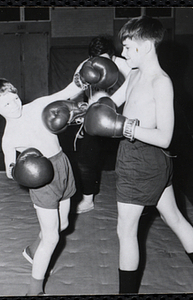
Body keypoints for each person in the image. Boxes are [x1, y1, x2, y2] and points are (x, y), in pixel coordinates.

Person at [83, 16, 193, 293]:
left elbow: (165, 137)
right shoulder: (136, 73)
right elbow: (112, 103)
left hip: (145, 160)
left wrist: (126, 126)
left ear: (146, 45)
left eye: (127, 47)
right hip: (138, 158)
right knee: (174, 218)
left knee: (125, 231)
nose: (122, 54)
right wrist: (85, 110)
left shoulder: (161, 82)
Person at [0, 79, 81, 295]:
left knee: (63, 224)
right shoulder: (8, 138)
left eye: (15, 99)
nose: (14, 105)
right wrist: (21, 166)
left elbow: (67, 92)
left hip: (63, 167)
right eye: (6, 105)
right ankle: (34, 290)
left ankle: (32, 250)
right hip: (41, 179)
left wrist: (83, 76)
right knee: (52, 237)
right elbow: (9, 170)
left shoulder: (37, 106)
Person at [49, 36, 131, 214]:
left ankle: (137, 201)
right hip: (94, 118)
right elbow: (75, 90)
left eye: (105, 59)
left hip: (122, 117)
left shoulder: (125, 65)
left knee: (128, 160)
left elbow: (135, 86)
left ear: (112, 56)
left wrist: (111, 105)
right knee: (85, 159)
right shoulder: (85, 65)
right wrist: (78, 108)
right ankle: (87, 200)